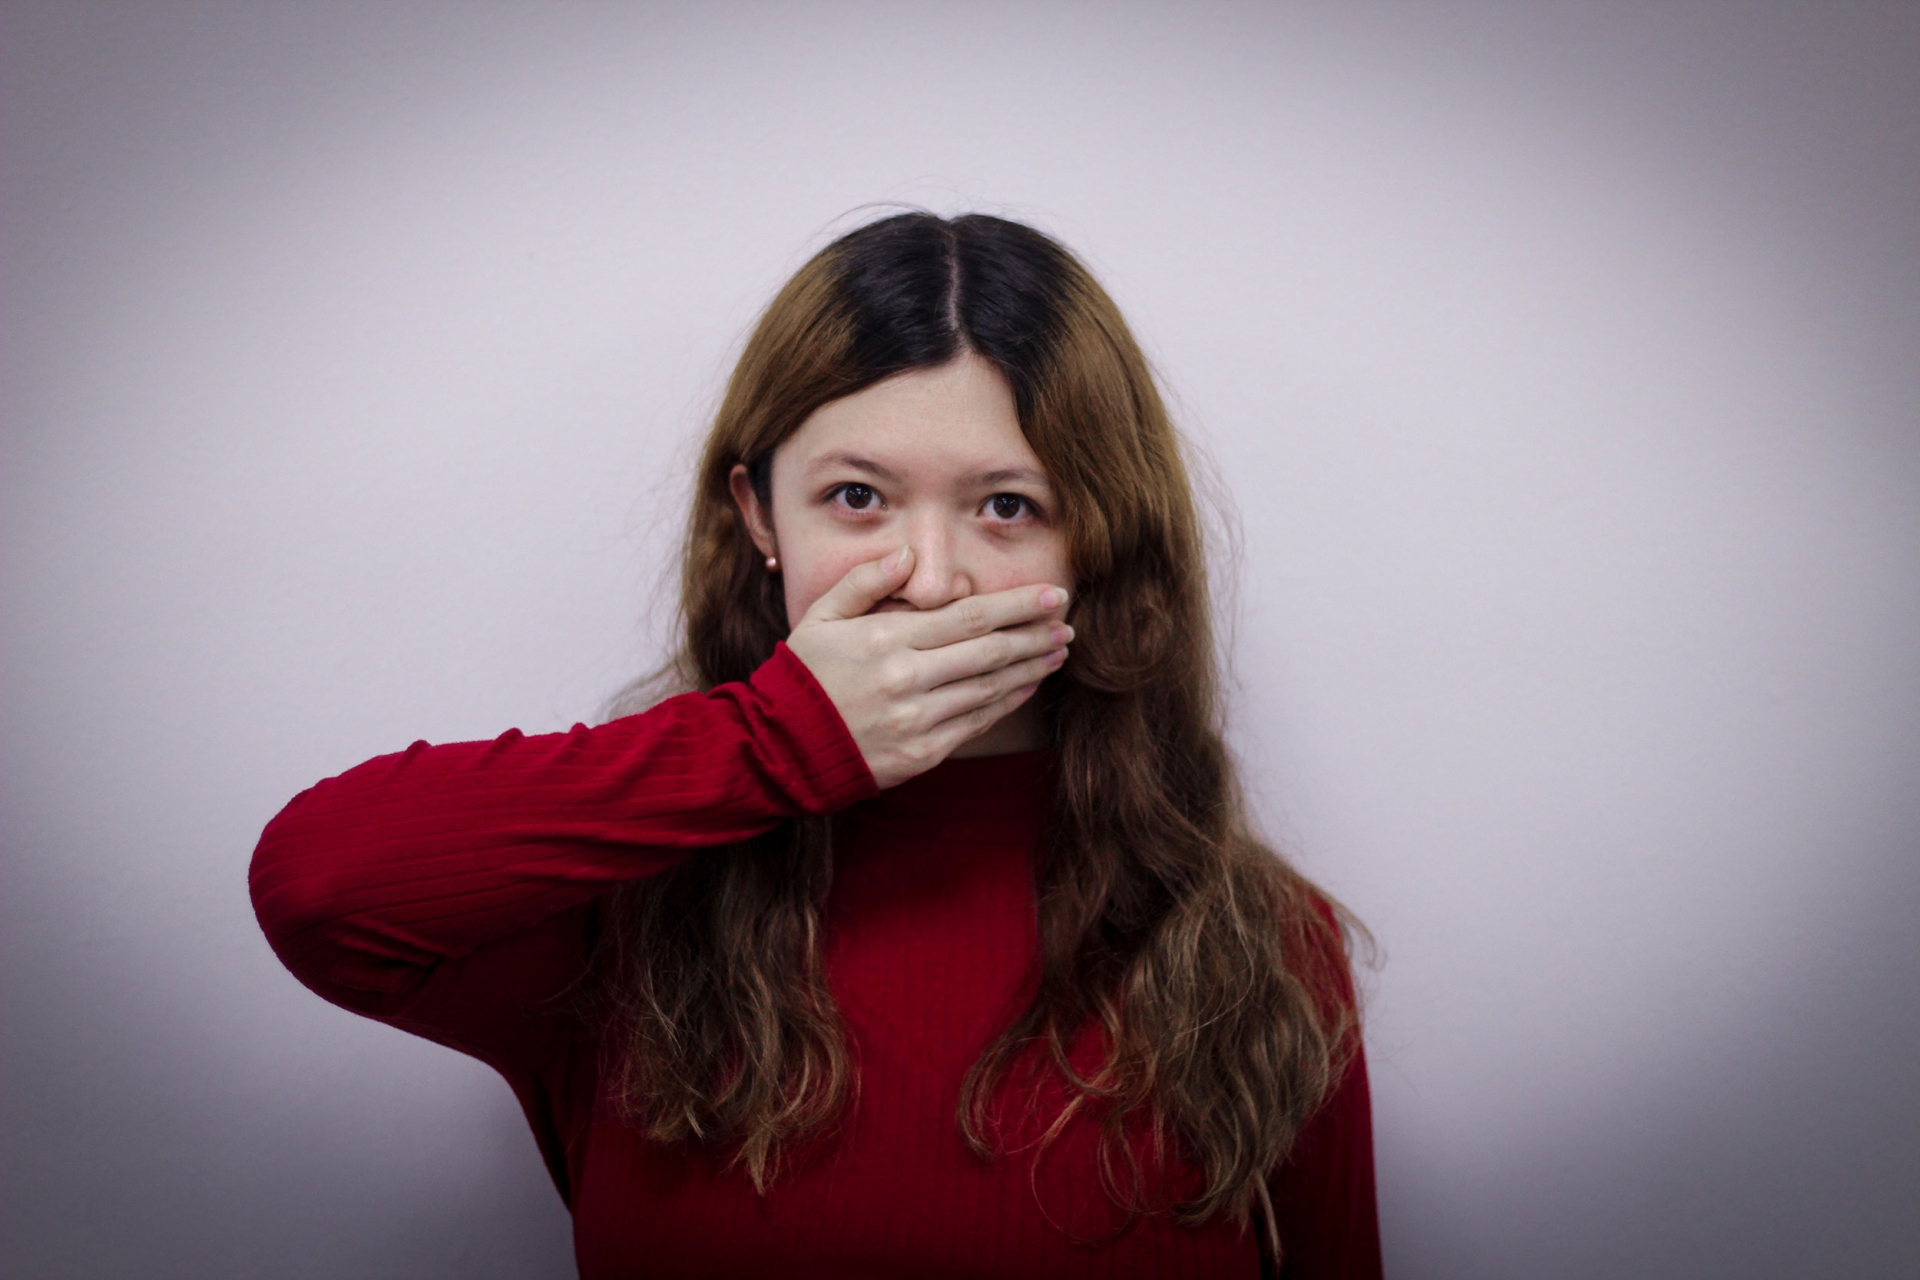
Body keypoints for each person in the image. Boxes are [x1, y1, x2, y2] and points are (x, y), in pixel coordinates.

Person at [250, 212, 1382, 1278]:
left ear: (1101, 535)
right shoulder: (621, 909)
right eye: (856, 496)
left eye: (1006, 506)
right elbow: (320, 886)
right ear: (759, 517)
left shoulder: (1261, 947)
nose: (928, 582)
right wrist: (774, 743)